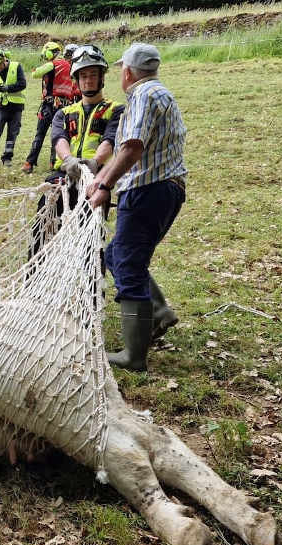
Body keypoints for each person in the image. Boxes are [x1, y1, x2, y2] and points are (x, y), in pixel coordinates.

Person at [86, 43, 186, 372]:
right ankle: (158, 312)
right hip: (163, 190)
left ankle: (133, 356)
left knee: (127, 266)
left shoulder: (143, 96)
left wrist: (104, 185)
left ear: (128, 72)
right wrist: (101, 177)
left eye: (120, 71)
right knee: (117, 254)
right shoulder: (161, 93)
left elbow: (131, 148)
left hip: (147, 192)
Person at [32, 44, 121, 256]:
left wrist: (95, 162)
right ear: (77, 80)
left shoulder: (116, 111)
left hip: (95, 180)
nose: (88, 80)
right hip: (62, 177)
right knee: (41, 232)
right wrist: (68, 159)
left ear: (102, 77)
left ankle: (92, 286)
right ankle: (35, 275)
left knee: (91, 244)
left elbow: (110, 140)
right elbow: (59, 138)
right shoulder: (64, 112)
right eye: (83, 76)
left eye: (93, 74)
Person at [23, 41, 75, 174]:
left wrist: (37, 69)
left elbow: (35, 74)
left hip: (50, 105)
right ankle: (54, 162)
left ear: (50, 52)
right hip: (65, 107)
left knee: (40, 135)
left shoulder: (52, 64)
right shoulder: (69, 65)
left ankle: (29, 163)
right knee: (57, 135)